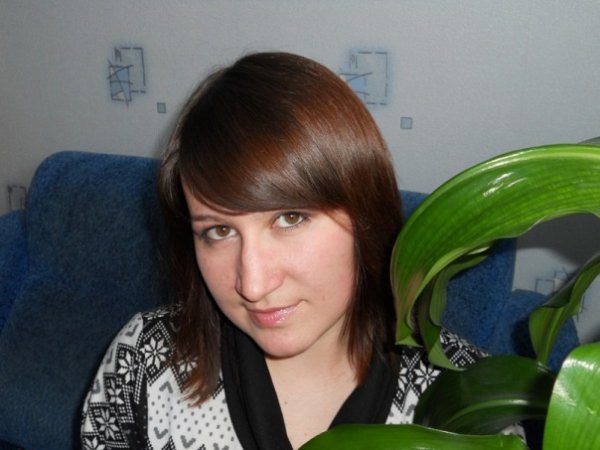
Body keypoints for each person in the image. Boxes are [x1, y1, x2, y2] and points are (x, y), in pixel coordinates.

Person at [80, 52, 482, 450]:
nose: (253, 285)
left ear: (367, 217)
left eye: (290, 218)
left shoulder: (472, 398)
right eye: (219, 231)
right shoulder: (141, 362)